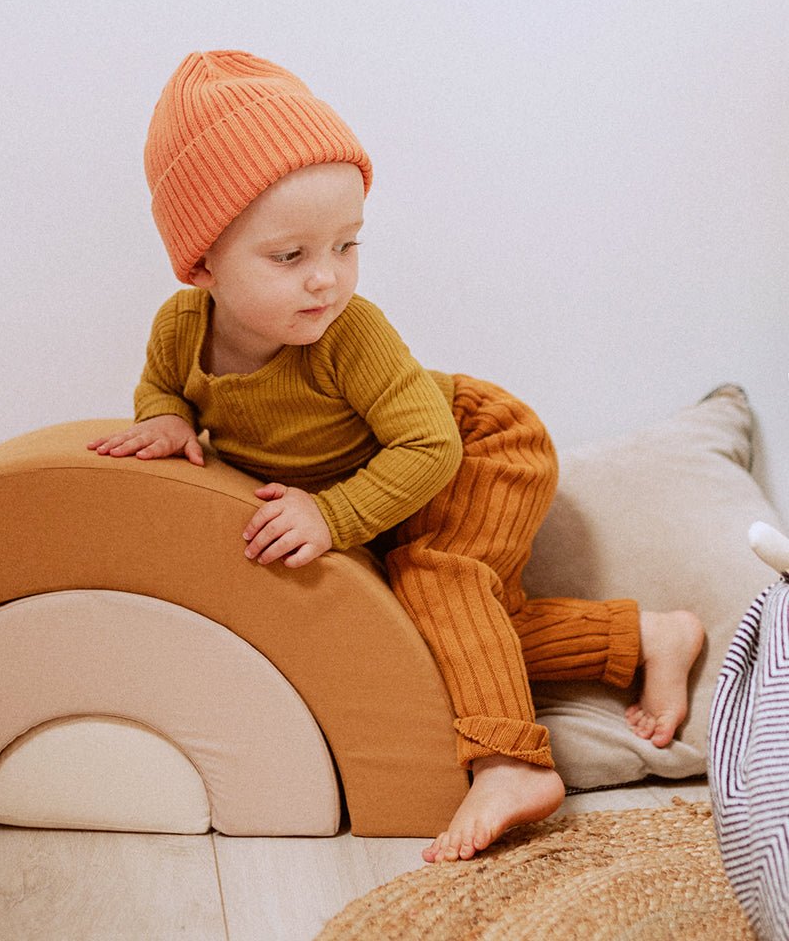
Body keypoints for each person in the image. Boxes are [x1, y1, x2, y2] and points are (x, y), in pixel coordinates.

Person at [88, 50, 704, 862]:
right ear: (202, 263)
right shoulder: (179, 329)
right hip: (397, 479)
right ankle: (644, 638)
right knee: (438, 627)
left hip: (476, 445)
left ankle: (512, 763)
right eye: (290, 257)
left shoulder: (350, 334)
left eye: (347, 246)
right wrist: (166, 420)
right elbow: (162, 387)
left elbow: (429, 444)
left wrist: (332, 514)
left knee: (438, 578)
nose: (326, 280)